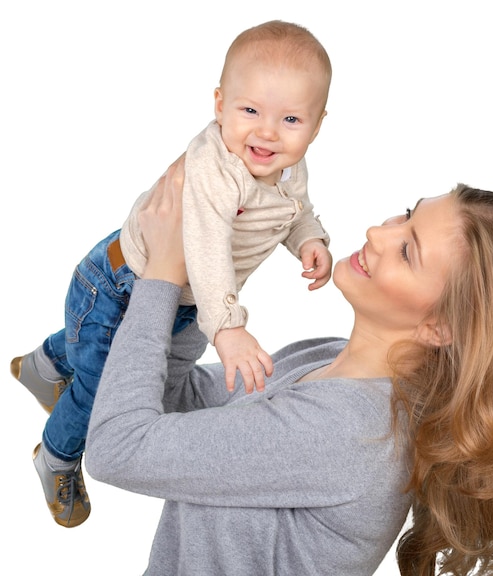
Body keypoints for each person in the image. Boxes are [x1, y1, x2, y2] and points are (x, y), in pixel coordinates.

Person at [82, 159, 493, 576]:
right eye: (406, 214)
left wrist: (165, 275)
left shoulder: (347, 431)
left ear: (440, 328)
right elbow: (179, 401)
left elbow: (116, 447)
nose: (379, 232)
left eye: (408, 251)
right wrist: (212, 276)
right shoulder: (329, 361)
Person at [9, 20, 333, 528]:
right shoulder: (216, 171)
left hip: (176, 301)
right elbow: (202, 248)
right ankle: (56, 456)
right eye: (250, 110)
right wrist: (228, 326)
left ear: (317, 124)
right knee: (101, 391)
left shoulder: (287, 167)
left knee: (97, 354)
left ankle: (45, 364)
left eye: (290, 118)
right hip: (120, 288)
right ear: (219, 102)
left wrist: (310, 238)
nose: (267, 131)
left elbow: (294, 208)